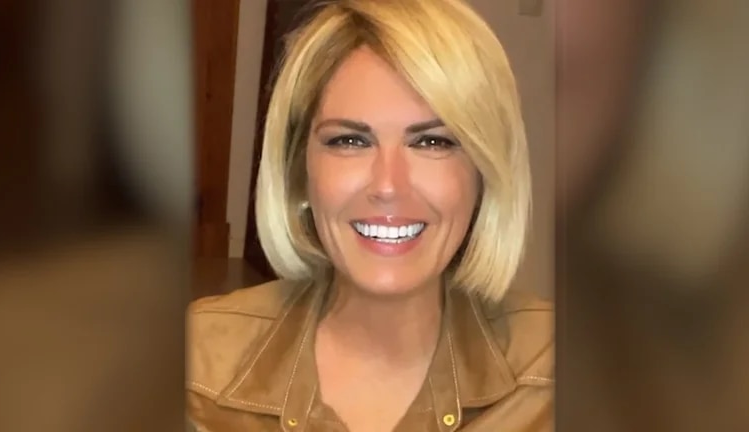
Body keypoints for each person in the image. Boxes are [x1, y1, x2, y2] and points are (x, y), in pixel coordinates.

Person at [186, 1, 553, 430]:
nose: (388, 185)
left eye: (432, 143)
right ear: (300, 171)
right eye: (350, 141)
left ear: (484, 175)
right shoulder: (194, 365)